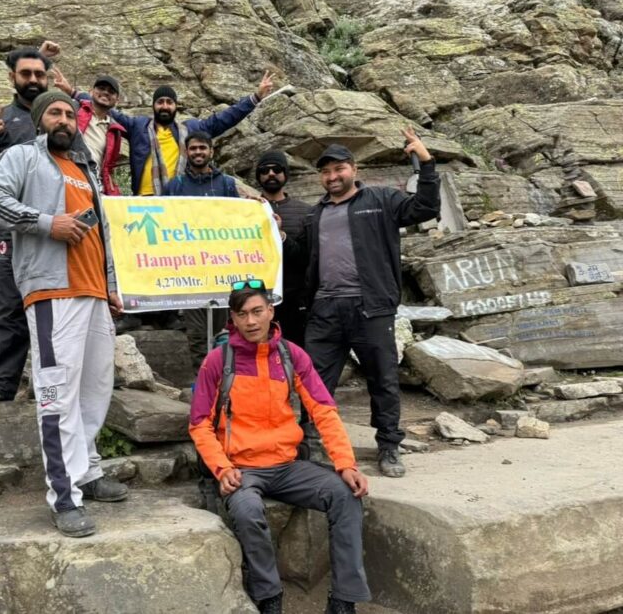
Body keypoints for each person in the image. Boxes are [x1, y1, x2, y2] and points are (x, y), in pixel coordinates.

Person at [0, 90, 127, 538]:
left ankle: (86, 472)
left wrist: (112, 286)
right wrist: (47, 222)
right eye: (54, 113)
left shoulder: (85, 169)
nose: (63, 119)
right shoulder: (24, 156)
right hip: (52, 292)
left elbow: (102, 234)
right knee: (57, 394)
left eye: (68, 113)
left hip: (94, 293)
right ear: (41, 120)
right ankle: (64, 497)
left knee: (95, 391)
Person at [189, 280, 371, 614]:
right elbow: (199, 423)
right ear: (233, 318)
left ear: (271, 311)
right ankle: (269, 597)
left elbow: (324, 411)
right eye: (242, 314)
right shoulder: (218, 361)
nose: (251, 321)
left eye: (257, 311)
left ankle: (344, 600)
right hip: (242, 469)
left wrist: (346, 464)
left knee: (346, 495)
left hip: (288, 466)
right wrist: (222, 468)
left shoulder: (291, 355)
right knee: (247, 510)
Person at [284, 130, 440, 478]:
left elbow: (425, 207)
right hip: (324, 310)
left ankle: (388, 447)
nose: (332, 177)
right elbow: (301, 256)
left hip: (370, 308)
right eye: (325, 172)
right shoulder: (314, 215)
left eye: (338, 169)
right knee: (314, 382)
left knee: (382, 379)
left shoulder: (382, 200)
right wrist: (278, 235)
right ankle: (312, 443)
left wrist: (426, 164)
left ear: (353, 169)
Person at [0, 42, 84, 407]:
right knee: (10, 308)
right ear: (12, 77)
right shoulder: (1, 121)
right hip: (14, 232)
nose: (33, 80)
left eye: (40, 74)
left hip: (64, 233)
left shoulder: (63, 122)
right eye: (26, 74)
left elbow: (85, 171)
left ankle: (59, 384)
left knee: (64, 309)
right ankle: (1, 383)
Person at [109, 73, 275, 196]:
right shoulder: (138, 127)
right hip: (145, 201)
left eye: (169, 102)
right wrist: (85, 96)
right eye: (160, 102)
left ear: (176, 106)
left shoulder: (190, 129)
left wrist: (255, 97)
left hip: (181, 200)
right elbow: (109, 112)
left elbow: (223, 119)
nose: (165, 106)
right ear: (153, 106)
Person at [163, 131, 239, 372]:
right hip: (190, 270)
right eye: (193, 148)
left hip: (221, 268)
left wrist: (256, 208)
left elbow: (240, 219)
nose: (198, 152)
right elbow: (163, 220)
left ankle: (225, 382)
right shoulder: (175, 186)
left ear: (211, 152)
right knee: (197, 333)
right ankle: (202, 381)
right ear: (187, 153)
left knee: (223, 331)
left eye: (202, 148)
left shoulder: (226, 184)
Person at [255, 149, 312, 346]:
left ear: (285, 174)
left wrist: (282, 237)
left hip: (295, 300)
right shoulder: (247, 209)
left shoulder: (306, 212)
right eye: (265, 170)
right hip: (256, 298)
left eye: (276, 169)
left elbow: (307, 258)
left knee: (295, 356)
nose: (270, 174)